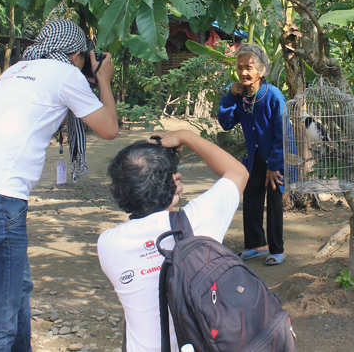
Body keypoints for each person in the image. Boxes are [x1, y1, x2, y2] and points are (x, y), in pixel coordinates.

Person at [0, 19, 119, 352]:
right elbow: (109, 128)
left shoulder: (18, 69)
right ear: (76, 55)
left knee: (16, 290)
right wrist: (103, 79)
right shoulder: (66, 74)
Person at [98, 129, 248, 352]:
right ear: (174, 182)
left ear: (117, 191)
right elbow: (238, 172)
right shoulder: (198, 220)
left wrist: (167, 194)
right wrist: (186, 135)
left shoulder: (108, 244)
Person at [218, 43, 287, 265]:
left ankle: (277, 249)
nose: (243, 73)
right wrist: (229, 97)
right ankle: (257, 245)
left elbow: (283, 133)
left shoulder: (273, 96)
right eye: (239, 68)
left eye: (249, 67)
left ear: (261, 70)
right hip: (254, 159)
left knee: (274, 203)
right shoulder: (240, 97)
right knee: (251, 199)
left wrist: (274, 166)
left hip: (275, 159)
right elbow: (226, 123)